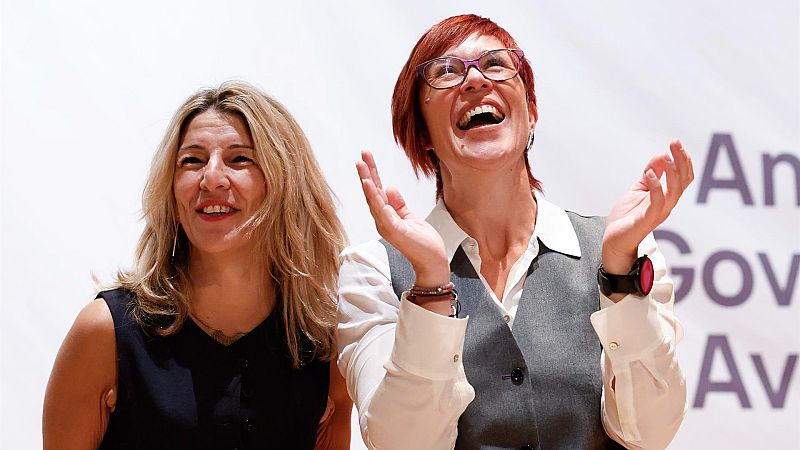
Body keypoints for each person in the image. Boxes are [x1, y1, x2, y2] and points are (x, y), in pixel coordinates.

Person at [337, 14, 692, 450]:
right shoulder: (371, 271)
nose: (474, 81)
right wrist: (430, 284)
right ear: (422, 132)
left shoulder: (623, 251)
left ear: (532, 113)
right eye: (446, 72)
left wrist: (619, 276)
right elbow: (402, 443)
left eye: (496, 64)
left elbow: (650, 433)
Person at [43, 81, 351, 449]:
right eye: (192, 160)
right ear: (171, 190)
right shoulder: (105, 333)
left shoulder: (325, 347)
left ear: (286, 184)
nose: (211, 178)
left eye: (240, 159)